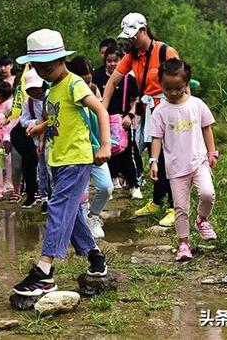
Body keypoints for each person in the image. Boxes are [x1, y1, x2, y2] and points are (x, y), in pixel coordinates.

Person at [12, 29, 111, 296]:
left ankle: (45, 271)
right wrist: (41, 127)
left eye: (48, 67)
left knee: (57, 207)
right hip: (58, 158)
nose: (44, 72)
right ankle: (95, 257)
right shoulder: (52, 89)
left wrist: (104, 144)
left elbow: (100, 109)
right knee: (70, 210)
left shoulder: (74, 83)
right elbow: (60, 118)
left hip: (77, 157)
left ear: (61, 60)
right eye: (38, 68)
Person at [102, 12, 178, 227]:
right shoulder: (131, 56)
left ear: (144, 30)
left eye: (134, 35)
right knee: (155, 157)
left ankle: (174, 206)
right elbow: (112, 82)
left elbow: (182, 80)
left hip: (169, 107)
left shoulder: (165, 51)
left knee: (168, 157)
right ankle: (156, 200)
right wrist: (103, 109)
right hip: (150, 110)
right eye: (128, 37)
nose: (131, 40)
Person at [149, 59, 218, 262]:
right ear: (160, 84)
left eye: (178, 88)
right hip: (176, 167)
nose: (172, 92)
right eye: (167, 88)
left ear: (187, 83)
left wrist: (211, 152)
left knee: (207, 193)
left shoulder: (196, 105)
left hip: (198, 161)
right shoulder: (160, 110)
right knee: (180, 208)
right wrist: (154, 161)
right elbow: (156, 137)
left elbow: (207, 127)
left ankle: (202, 219)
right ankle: (183, 243)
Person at [66, 56, 115, 239]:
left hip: (94, 147)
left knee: (106, 187)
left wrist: (105, 144)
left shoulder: (93, 90)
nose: (87, 85)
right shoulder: (66, 92)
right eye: (84, 82)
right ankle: (81, 226)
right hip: (75, 150)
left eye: (89, 81)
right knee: (81, 192)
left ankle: (93, 216)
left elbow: (101, 113)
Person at [93, 46, 144, 199]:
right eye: (109, 61)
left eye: (116, 61)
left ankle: (135, 184)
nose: (112, 64)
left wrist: (130, 115)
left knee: (128, 153)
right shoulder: (98, 76)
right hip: (104, 120)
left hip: (123, 121)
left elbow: (137, 99)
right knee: (107, 151)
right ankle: (111, 181)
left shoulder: (129, 79)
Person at [18, 67, 50, 210]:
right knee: (42, 169)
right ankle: (44, 198)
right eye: (30, 89)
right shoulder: (29, 103)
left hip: (52, 138)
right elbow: (23, 121)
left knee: (52, 169)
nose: (34, 92)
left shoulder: (50, 97)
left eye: (36, 88)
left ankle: (53, 195)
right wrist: (35, 123)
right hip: (37, 140)